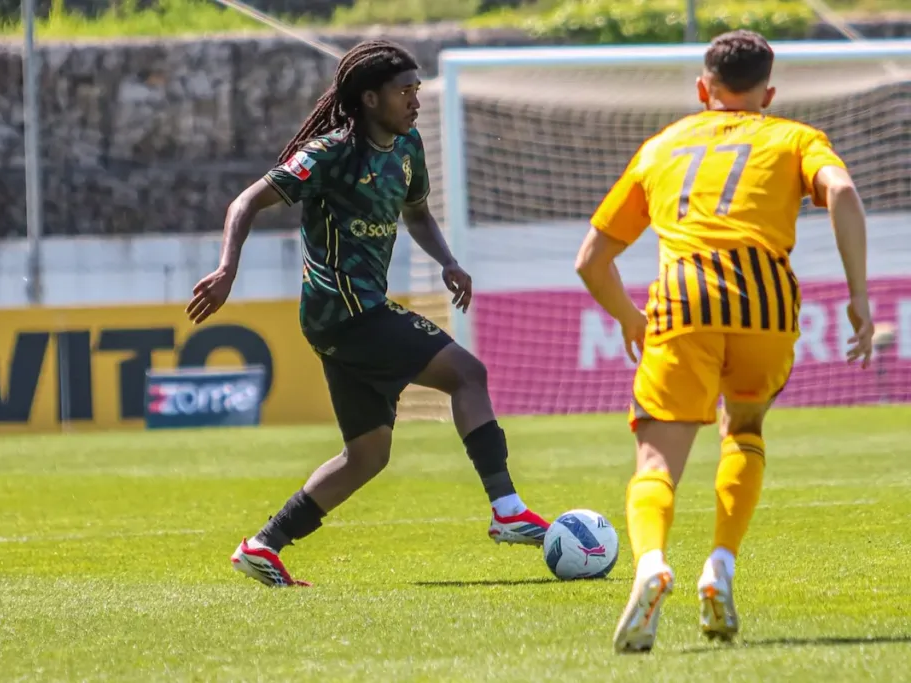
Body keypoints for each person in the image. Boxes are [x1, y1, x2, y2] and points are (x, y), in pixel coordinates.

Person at [186, 40, 550, 588]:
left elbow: (419, 213)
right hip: (346, 312)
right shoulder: (329, 152)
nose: (415, 100)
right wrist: (227, 269)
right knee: (467, 374)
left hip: (352, 317)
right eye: (405, 92)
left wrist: (449, 261)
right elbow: (246, 202)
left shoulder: (407, 149)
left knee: (366, 456)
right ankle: (506, 509)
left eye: (417, 90)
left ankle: (263, 545)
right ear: (370, 97)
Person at [574, 30, 874, 653]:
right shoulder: (794, 137)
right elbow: (842, 191)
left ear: (702, 88)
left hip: (683, 302)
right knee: (743, 431)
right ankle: (721, 565)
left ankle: (653, 563)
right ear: (768, 91)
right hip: (766, 304)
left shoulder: (663, 145)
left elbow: (591, 261)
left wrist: (632, 319)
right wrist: (858, 296)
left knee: (656, 463)